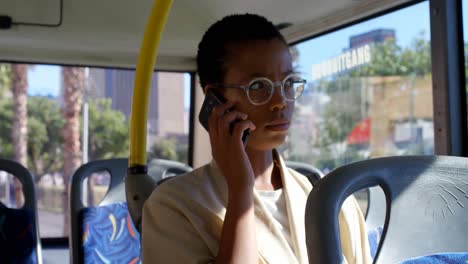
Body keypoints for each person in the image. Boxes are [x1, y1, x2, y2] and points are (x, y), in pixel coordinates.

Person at [142, 14, 371, 264]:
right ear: (215, 98)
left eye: (287, 82)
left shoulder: (332, 199)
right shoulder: (172, 206)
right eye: (258, 86)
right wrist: (240, 189)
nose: (281, 101)